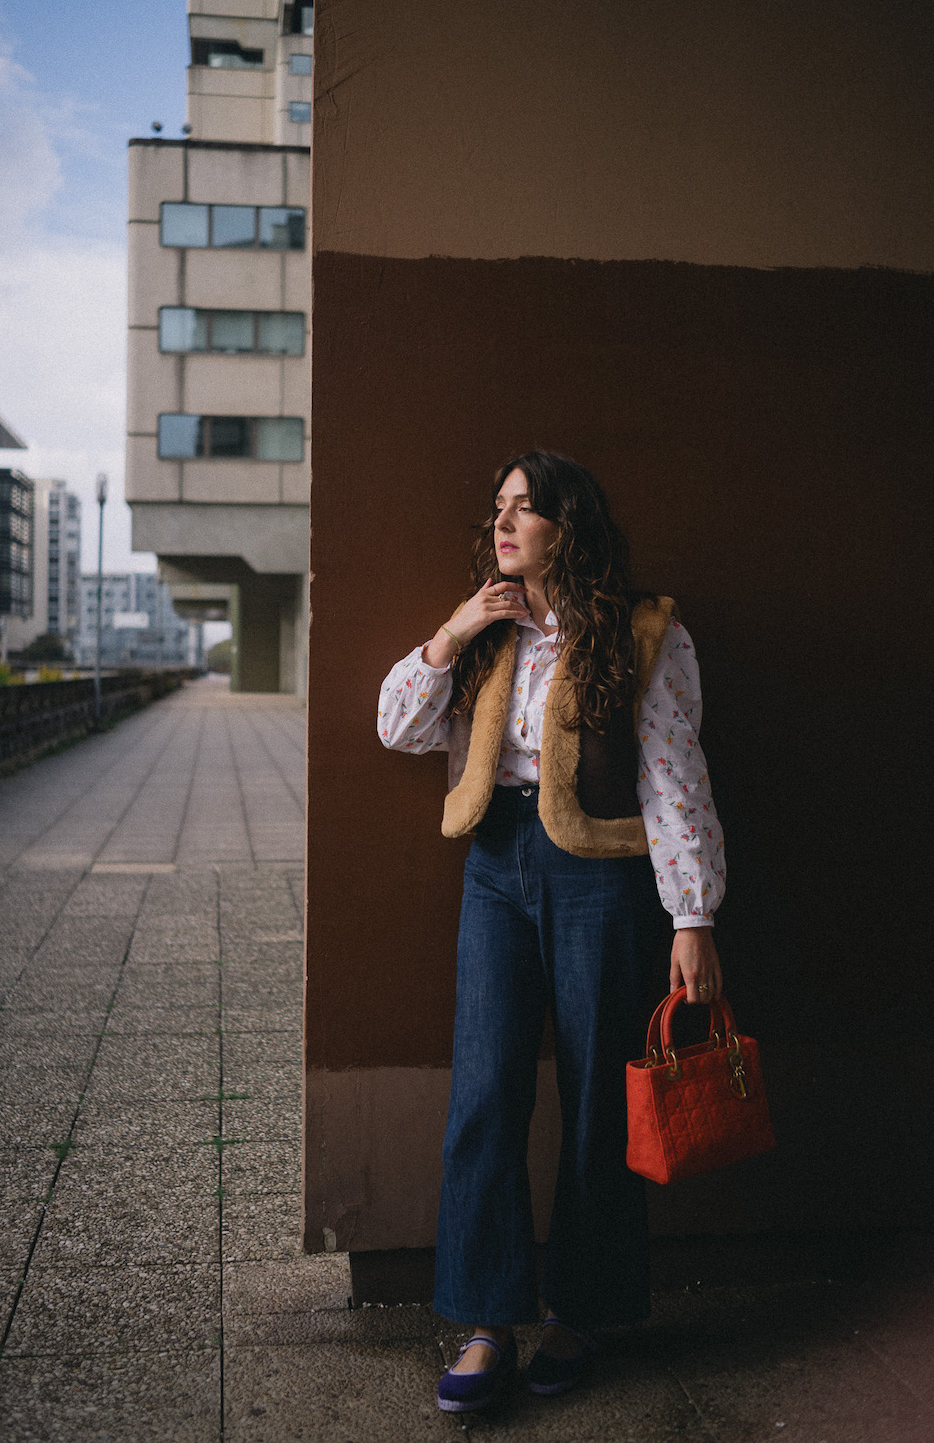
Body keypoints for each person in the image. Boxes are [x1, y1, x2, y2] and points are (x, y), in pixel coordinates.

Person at [377, 451, 725, 1412]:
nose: (503, 522)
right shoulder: (487, 629)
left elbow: (673, 778)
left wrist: (692, 915)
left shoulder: (642, 630)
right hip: (495, 864)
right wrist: (451, 633)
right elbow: (397, 729)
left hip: (599, 879)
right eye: (497, 508)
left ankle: (580, 1312)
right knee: (484, 1091)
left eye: (525, 509)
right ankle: (487, 1321)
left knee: (594, 1103)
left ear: (568, 525)